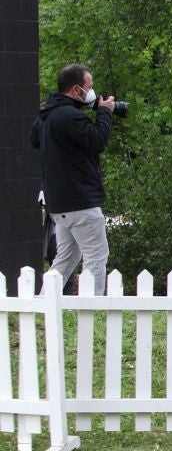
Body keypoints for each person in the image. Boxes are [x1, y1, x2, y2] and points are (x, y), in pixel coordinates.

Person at [30, 63, 116, 296]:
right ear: (76, 89)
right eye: (89, 86)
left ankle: (42, 303)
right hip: (81, 201)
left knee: (66, 258)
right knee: (96, 257)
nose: (92, 92)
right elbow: (98, 140)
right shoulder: (69, 116)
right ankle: (92, 306)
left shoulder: (47, 116)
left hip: (59, 203)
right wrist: (105, 112)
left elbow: (35, 139)